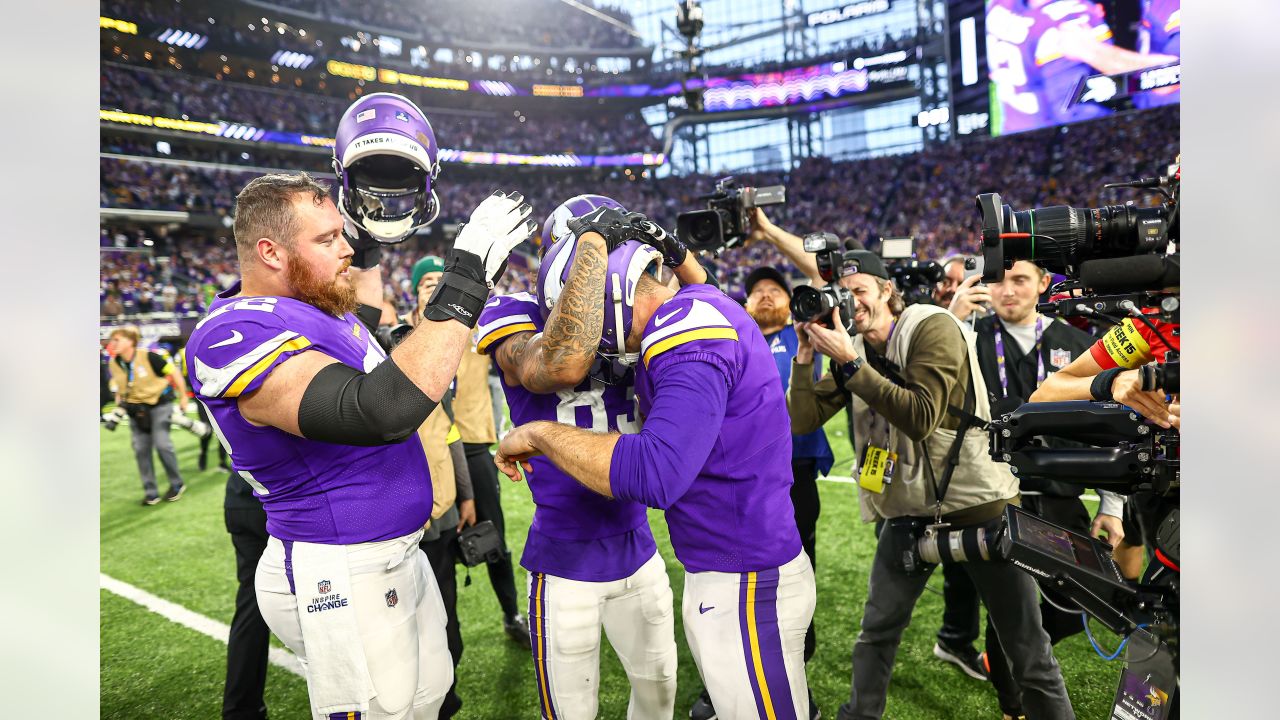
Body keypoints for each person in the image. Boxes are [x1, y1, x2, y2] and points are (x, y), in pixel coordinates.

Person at [185, 168, 534, 716]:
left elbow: (367, 319)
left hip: (397, 555)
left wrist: (370, 235)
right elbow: (378, 411)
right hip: (339, 568)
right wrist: (466, 276)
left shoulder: (316, 309)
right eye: (327, 239)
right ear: (271, 252)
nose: (344, 248)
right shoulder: (232, 332)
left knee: (428, 700)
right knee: (387, 709)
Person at [496, 234, 816, 720]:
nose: (594, 336)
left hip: (741, 573)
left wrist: (539, 434)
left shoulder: (681, 324)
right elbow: (549, 361)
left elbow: (656, 472)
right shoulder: (702, 303)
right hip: (737, 561)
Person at [786, 250, 1073, 720]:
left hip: (979, 503)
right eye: (843, 292)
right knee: (876, 632)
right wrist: (804, 355)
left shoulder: (932, 326)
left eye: (859, 290)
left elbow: (921, 416)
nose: (850, 301)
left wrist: (850, 363)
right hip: (907, 511)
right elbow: (801, 419)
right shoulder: (855, 347)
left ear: (886, 291)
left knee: (1028, 649)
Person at [475, 196, 691, 719]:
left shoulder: (642, 314)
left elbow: (703, 300)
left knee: (660, 694)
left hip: (639, 549)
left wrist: (663, 245)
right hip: (564, 558)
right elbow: (558, 365)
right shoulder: (516, 314)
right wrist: (595, 245)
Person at [949, 260, 1124, 720]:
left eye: (1020, 279)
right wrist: (953, 320)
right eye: (999, 281)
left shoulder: (1078, 344)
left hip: (1061, 498)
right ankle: (1014, 706)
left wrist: (1113, 506)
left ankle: (1019, 654)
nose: (1007, 290)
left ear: (1044, 284)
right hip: (994, 498)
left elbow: (1112, 429)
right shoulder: (968, 336)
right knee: (1010, 610)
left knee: (1077, 601)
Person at [106, 325, 190, 505]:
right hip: (136, 410)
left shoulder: (150, 356)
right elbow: (121, 387)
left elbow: (174, 372)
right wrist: (119, 402)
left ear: (130, 341)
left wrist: (183, 396)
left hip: (159, 404)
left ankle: (177, 484)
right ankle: (151, 492)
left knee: (162, 444)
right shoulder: (114, 363)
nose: (113, 343)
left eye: (117, 339)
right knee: (140, 449)